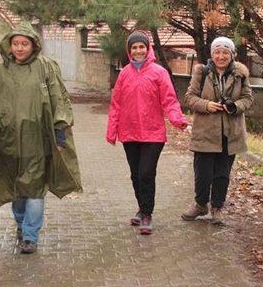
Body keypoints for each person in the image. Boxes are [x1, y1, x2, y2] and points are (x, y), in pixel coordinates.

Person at [0, 23, 82, 254]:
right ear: (9, 45)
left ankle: (30, 235)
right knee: (16, 189)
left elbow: (58, 97)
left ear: (33, 45)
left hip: (38, 142)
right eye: (16, 43)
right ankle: (21, 225)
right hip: (8, 143)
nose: (20, 48)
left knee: (35, 188)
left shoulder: (46, 67)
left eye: (24, 44)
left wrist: (59, 132)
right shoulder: (2, 72)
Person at [106, 30, 188, 235]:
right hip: (129, 132)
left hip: (153, 133)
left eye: (141, 46)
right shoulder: (124, 73)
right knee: (135, 174)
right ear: (129, 51)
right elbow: (116, 103)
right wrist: (111, 130)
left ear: (148, 48)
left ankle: (147, 215)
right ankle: (142, 208)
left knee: (146, 173)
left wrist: (179, 120)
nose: (138, 50)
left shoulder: (159, 72)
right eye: (134, 47)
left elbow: (169, 99)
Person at [182, 37, 253, 225]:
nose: (221, 56)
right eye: (217, 52)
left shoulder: (240, 74)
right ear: (212, 54)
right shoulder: (202, 72)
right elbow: (189, 98)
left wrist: (235, 107)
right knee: (202, 173)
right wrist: (207, 105)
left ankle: (217, 207)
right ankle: (200, 204)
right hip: (205, 131)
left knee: (222, 174)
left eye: (225, 52)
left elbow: (248, 98)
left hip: (230, 133)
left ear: (231, 55)